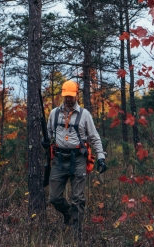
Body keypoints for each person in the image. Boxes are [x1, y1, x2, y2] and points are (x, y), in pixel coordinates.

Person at [42, 80, 106, 243]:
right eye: (66, 96)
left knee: (78, 198)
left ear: (76, 95)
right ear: (63, 95)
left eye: (71, 96)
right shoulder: (54, 113)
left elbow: (94, 137)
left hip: (78, 159)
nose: (68, 99)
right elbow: (49, 132)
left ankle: (76, 235)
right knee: (54, 198)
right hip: (58, 159)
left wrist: (101, 157)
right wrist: (46, 141)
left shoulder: (84, 115)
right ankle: (69, 214)